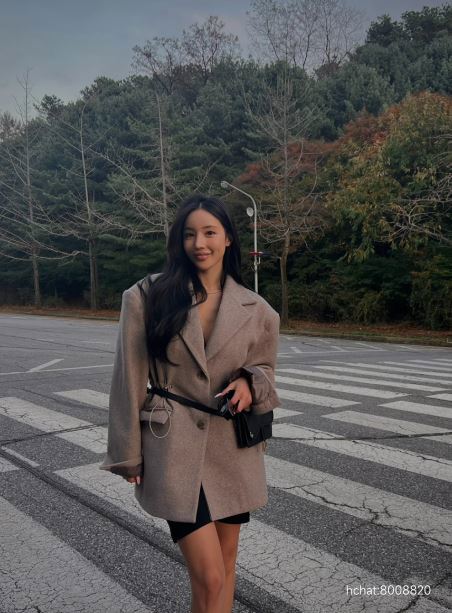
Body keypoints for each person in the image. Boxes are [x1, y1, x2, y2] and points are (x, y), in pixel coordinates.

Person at [99, 194, 280, 613]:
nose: (200, 243)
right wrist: (126, 453)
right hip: (173, 447)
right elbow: (127, 378)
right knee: (210, 576)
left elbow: (266, 370)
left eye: (210, 232)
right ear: (178, 241)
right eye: (189, 234)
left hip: (232, 451)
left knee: (225, 569)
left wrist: (250, 383)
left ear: (228, 238)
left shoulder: (258, 310)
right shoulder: (148, 296)